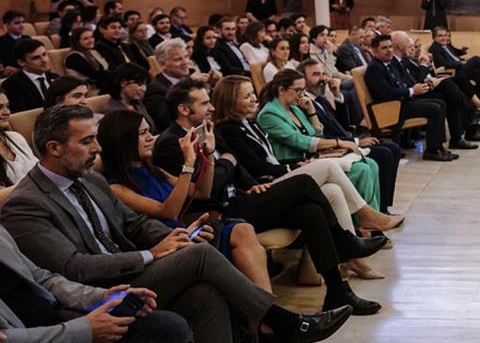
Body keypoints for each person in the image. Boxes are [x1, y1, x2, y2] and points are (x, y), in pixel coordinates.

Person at [0, 104, 353, 342]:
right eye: (87, 141)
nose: (98, 150)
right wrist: (152, 255)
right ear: (54, 148)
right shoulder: (26, 204)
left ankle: (266, 321)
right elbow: (73, 267)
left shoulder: (90, 180)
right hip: (98, 289)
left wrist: (176, 236)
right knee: (200, 257)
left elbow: (136, 223)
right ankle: (278, 321)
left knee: (205, 292)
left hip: (129, 271)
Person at [100, 107, 272, 293]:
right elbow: (168, 211)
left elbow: (201, 192)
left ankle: (265, 309)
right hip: (165, 243)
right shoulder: (116, 187)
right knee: (241, 234)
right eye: (143, 133)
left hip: (185, 232)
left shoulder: (153, 170)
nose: (151, 137)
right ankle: (264, 313)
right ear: (123, 140)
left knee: (244, 230)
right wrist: (188, 164)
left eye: (149, 131)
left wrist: (207, 156)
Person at [210, 76, 402, 235]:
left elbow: (312, 133)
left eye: (253, 93)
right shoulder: (230, 129)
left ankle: (350, 255)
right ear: (230, 102)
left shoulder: (248, 123)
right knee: (330, 167)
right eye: (247, 96)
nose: (254, 99)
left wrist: (310, 114)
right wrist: (295, 167)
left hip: (280, 172)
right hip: (266, 184)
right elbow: (258, 168)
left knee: (333, 190)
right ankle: (368, 216)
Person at [0, 223, 190, 342]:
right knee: (199, 256)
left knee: (175, 318)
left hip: (59, 317)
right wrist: (84, 331)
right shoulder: (26, 202)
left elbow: (42, 278)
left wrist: (101, 297)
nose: (96, 155)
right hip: (49, 334)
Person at [256, 70, 385, 211]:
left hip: (313, 159)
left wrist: (311, 112)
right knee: (361, 170)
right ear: (281, 90)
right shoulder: (269, 113)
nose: (301, 94)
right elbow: (300, 141)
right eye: (298, 90)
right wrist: (339, 142)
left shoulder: (294, 108)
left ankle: (373, 220)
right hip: (294, 163)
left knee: (372, 164)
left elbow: (316, 134)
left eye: (303, 90)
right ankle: (363, 222)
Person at [299, 59, 402, 212]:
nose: (322, 79)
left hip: (345, 140)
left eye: (322, 74)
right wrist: (357, 142)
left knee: (393, 148)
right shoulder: (305, 105)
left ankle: (384, 206)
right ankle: (378, 209)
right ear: (303, 80)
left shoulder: (320, 99)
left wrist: (337, 95)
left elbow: (342, 124)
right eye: (315, 74)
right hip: (333, 148)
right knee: (384, 154)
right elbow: (324, 136)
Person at [393, 32, 480, 147]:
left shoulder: (410, 60)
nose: (413, 50)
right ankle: (473, 112)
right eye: (411, 46)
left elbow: (423, 77)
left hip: (423, 89)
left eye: (417, 47)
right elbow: (417, 80)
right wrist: (425, 67)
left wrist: (429, 70)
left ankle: (460, 136)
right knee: (450, 86)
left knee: (454, 90)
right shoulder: (405, 62)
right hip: (413, 96)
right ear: (402, 46)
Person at [364, 34, 456, 162]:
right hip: (390, 108)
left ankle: (438, 147)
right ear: (375, 51)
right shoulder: (375, 67)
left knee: (440, 103)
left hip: (400, 102)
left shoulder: (387, 63)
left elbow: (400, 83)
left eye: (390, 46)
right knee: (435, 109)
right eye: (384, 48)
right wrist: (412, 90)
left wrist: (414, 88)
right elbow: (385, 93)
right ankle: (432, 150)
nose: (389, 50)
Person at [429, 27, 480, 112]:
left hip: (460, 68)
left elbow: (455, 53)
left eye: (446, 35)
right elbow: (442, 64)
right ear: (434, 38)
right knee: (476, 59)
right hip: (455, 73)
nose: (444, 38)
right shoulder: (435, 48)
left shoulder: (446, 45)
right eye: (440, 36)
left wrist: (462, 53)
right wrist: (461, 63)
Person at [310, 25, 363, 130]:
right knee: (351, 86)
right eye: (322, 35)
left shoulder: (323, 50)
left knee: (354, 82)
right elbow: (328, 73)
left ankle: (357, 120)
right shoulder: (312, 53)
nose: (326, 38)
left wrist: (348, 76)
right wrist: (330, 53)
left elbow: (334, 71)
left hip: (333, 79)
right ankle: (357, 121)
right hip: (322, 82)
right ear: (313, 38)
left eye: (326, 35)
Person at [0, 91, 38, 205]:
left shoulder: (16, 138)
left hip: (39, 199)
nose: (7, 112)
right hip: (13, 211)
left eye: (7, 106)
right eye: (0, 107)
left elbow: (38, 169)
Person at [1, 39, 59, 113]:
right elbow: (22, 116)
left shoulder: (55, 78)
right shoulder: (12, 84)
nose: (44, 60)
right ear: (21, 62)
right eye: (36, 58)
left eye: (44, 54)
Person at [0, 10, 28, 75]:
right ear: (7, 25)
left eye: (23, 22)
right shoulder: (1, 42)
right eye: (17, 23)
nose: (22, 25)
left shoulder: (28, 39)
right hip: (11, 76)